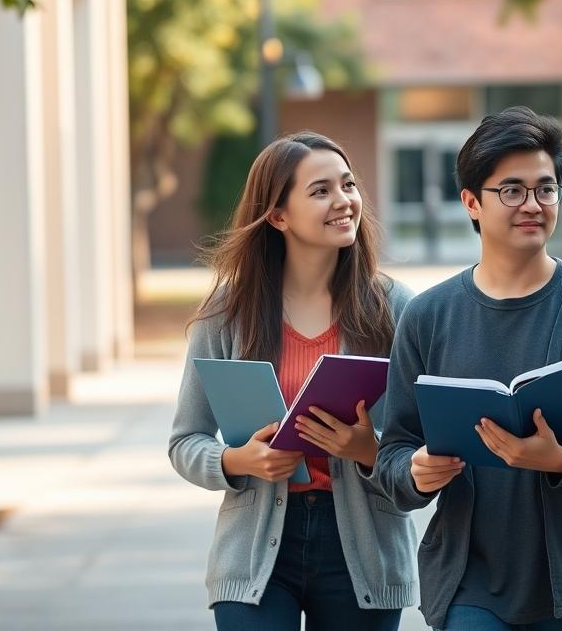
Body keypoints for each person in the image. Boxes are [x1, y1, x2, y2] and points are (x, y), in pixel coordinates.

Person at [370, 106, 562, 631]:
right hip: (468, 581)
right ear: (471, 203)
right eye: (512, 190)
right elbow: (392, 451)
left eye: (545, 189)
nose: (532, 204)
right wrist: (415, 472)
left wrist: (561, 460)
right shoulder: (428, 316)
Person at [168, 132, 417, 630]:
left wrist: (370, 449)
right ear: (278, 216)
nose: (344, 201)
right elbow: (184, 441)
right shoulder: (226, 313)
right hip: (255, 552)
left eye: (348, 185)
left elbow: (423, 451)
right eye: (321, 190)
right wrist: (239, 461)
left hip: (363, 554)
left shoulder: (396, 309)